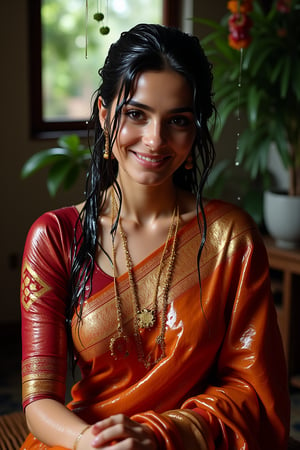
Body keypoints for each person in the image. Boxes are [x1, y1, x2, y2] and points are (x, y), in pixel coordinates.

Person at [20, 23, 290, 449]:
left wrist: (158, 436)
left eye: (177, 120)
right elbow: (38, 402)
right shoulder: (55, 237)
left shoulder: (229, 238)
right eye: (136, 114)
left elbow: (255, 391)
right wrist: (94, 442)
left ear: (196, 128)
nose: (155, 140)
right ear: (106, 115)